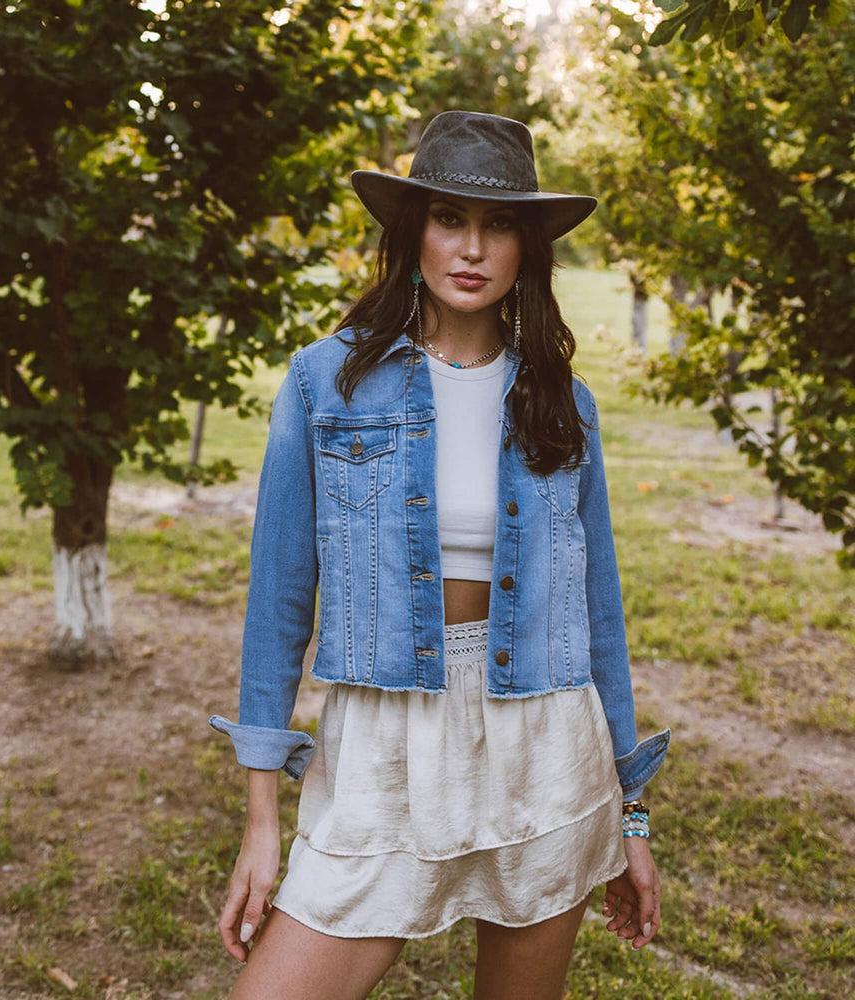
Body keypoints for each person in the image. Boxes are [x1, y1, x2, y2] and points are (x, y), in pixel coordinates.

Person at [207, 110, 672, 1000]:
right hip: (385, 738)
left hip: (546, 736)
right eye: (448, 219)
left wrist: (633, 816)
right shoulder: (326, 383)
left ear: (527, 249)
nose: (471, 248)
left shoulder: (561, 401)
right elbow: (277, 608)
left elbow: (597, 616)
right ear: (410, 232)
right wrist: (262, 821)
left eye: (499, 225)